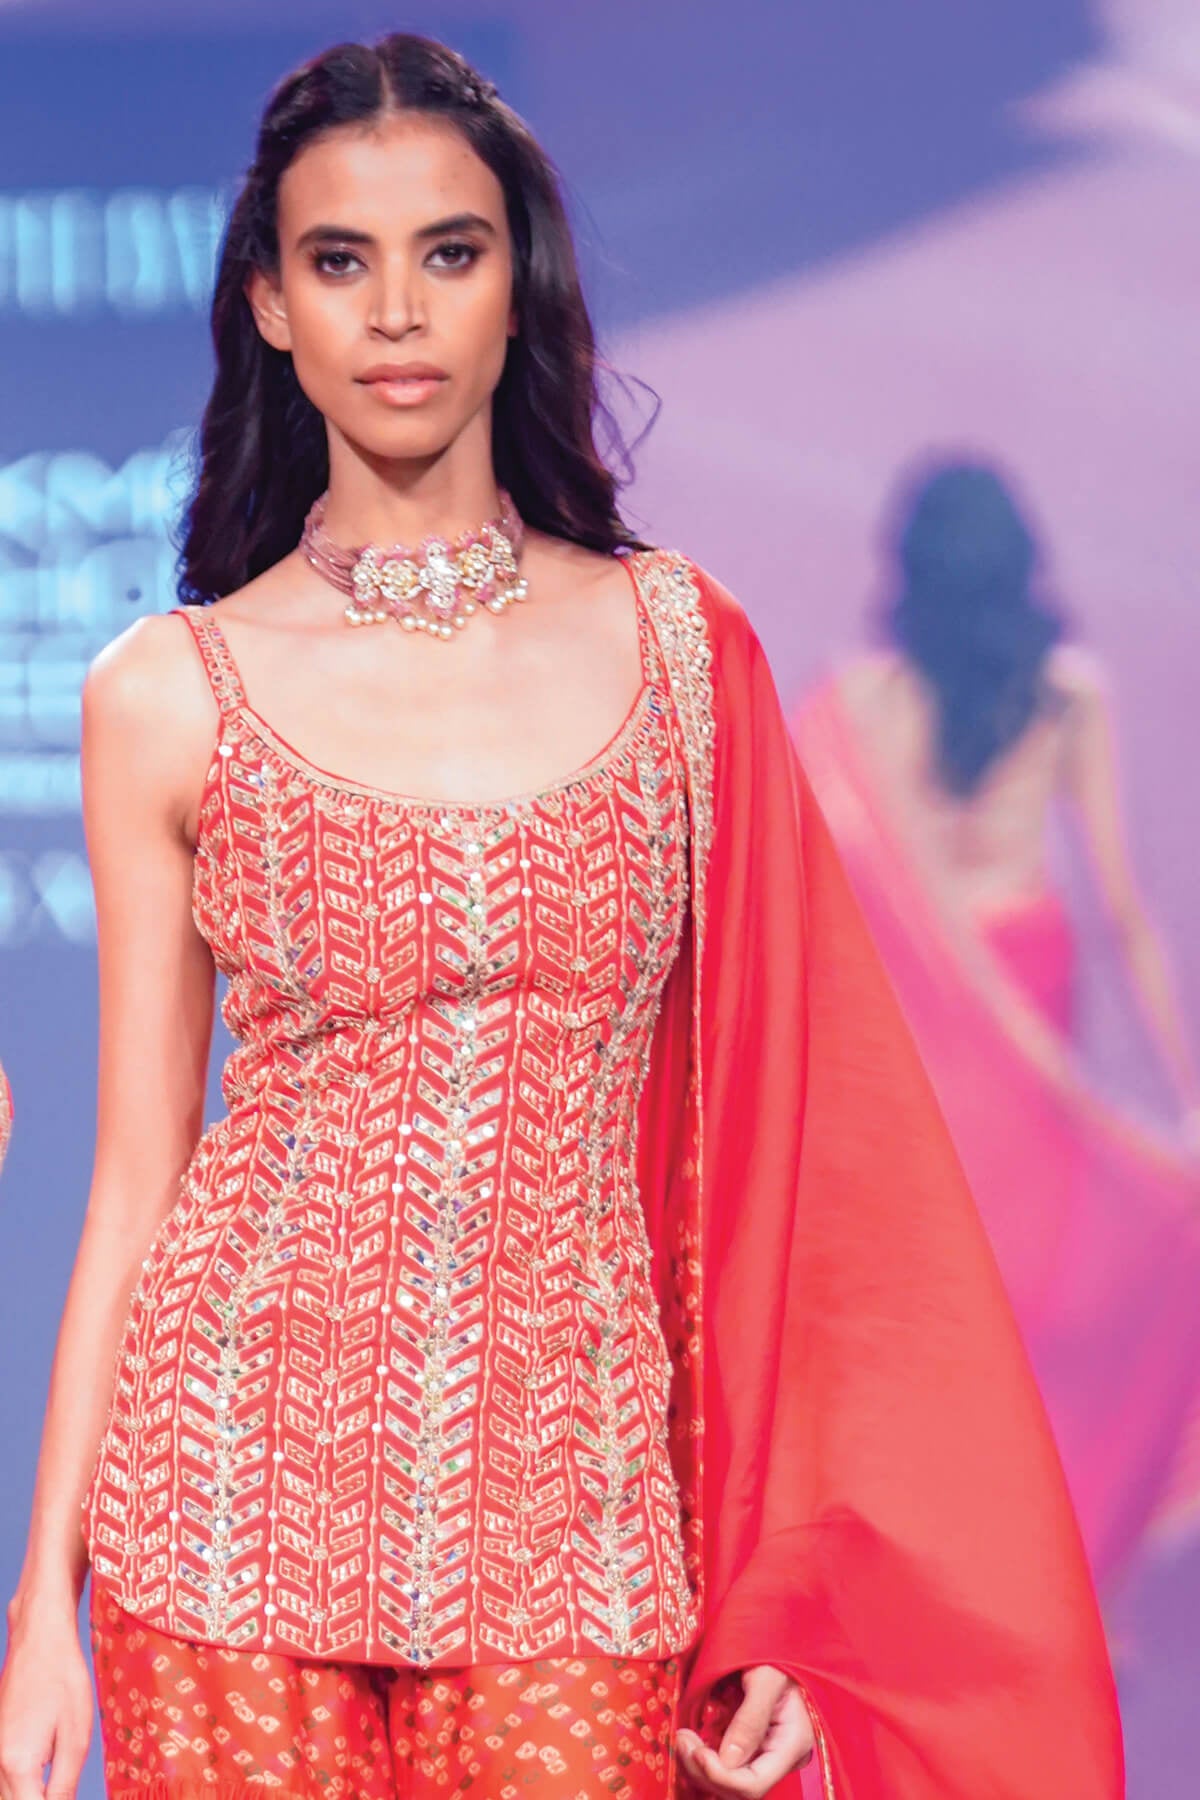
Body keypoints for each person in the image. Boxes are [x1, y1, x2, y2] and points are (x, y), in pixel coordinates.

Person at [0, 38, 1121, 1800]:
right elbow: (137, 1180)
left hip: (574, 1527)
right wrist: (39, 1615)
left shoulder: (680, 654)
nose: (397, 312)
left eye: (448, 252)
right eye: (340, 260)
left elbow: (795, 1166)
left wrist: (779, 1590)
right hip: (220, 1511)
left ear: (516, 280)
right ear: (271, 306)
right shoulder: (167, 690)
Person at [793, 458, 1200, 1594]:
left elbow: (817, 885)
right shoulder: (1068, 695)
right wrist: (1181, 1097)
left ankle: (909, 1532)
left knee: (924, 1272)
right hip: (1028, 983)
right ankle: (1027, 1538)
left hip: (922, 1014)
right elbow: (1123, 912)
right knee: (1035, 1280)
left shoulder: (861, 704)